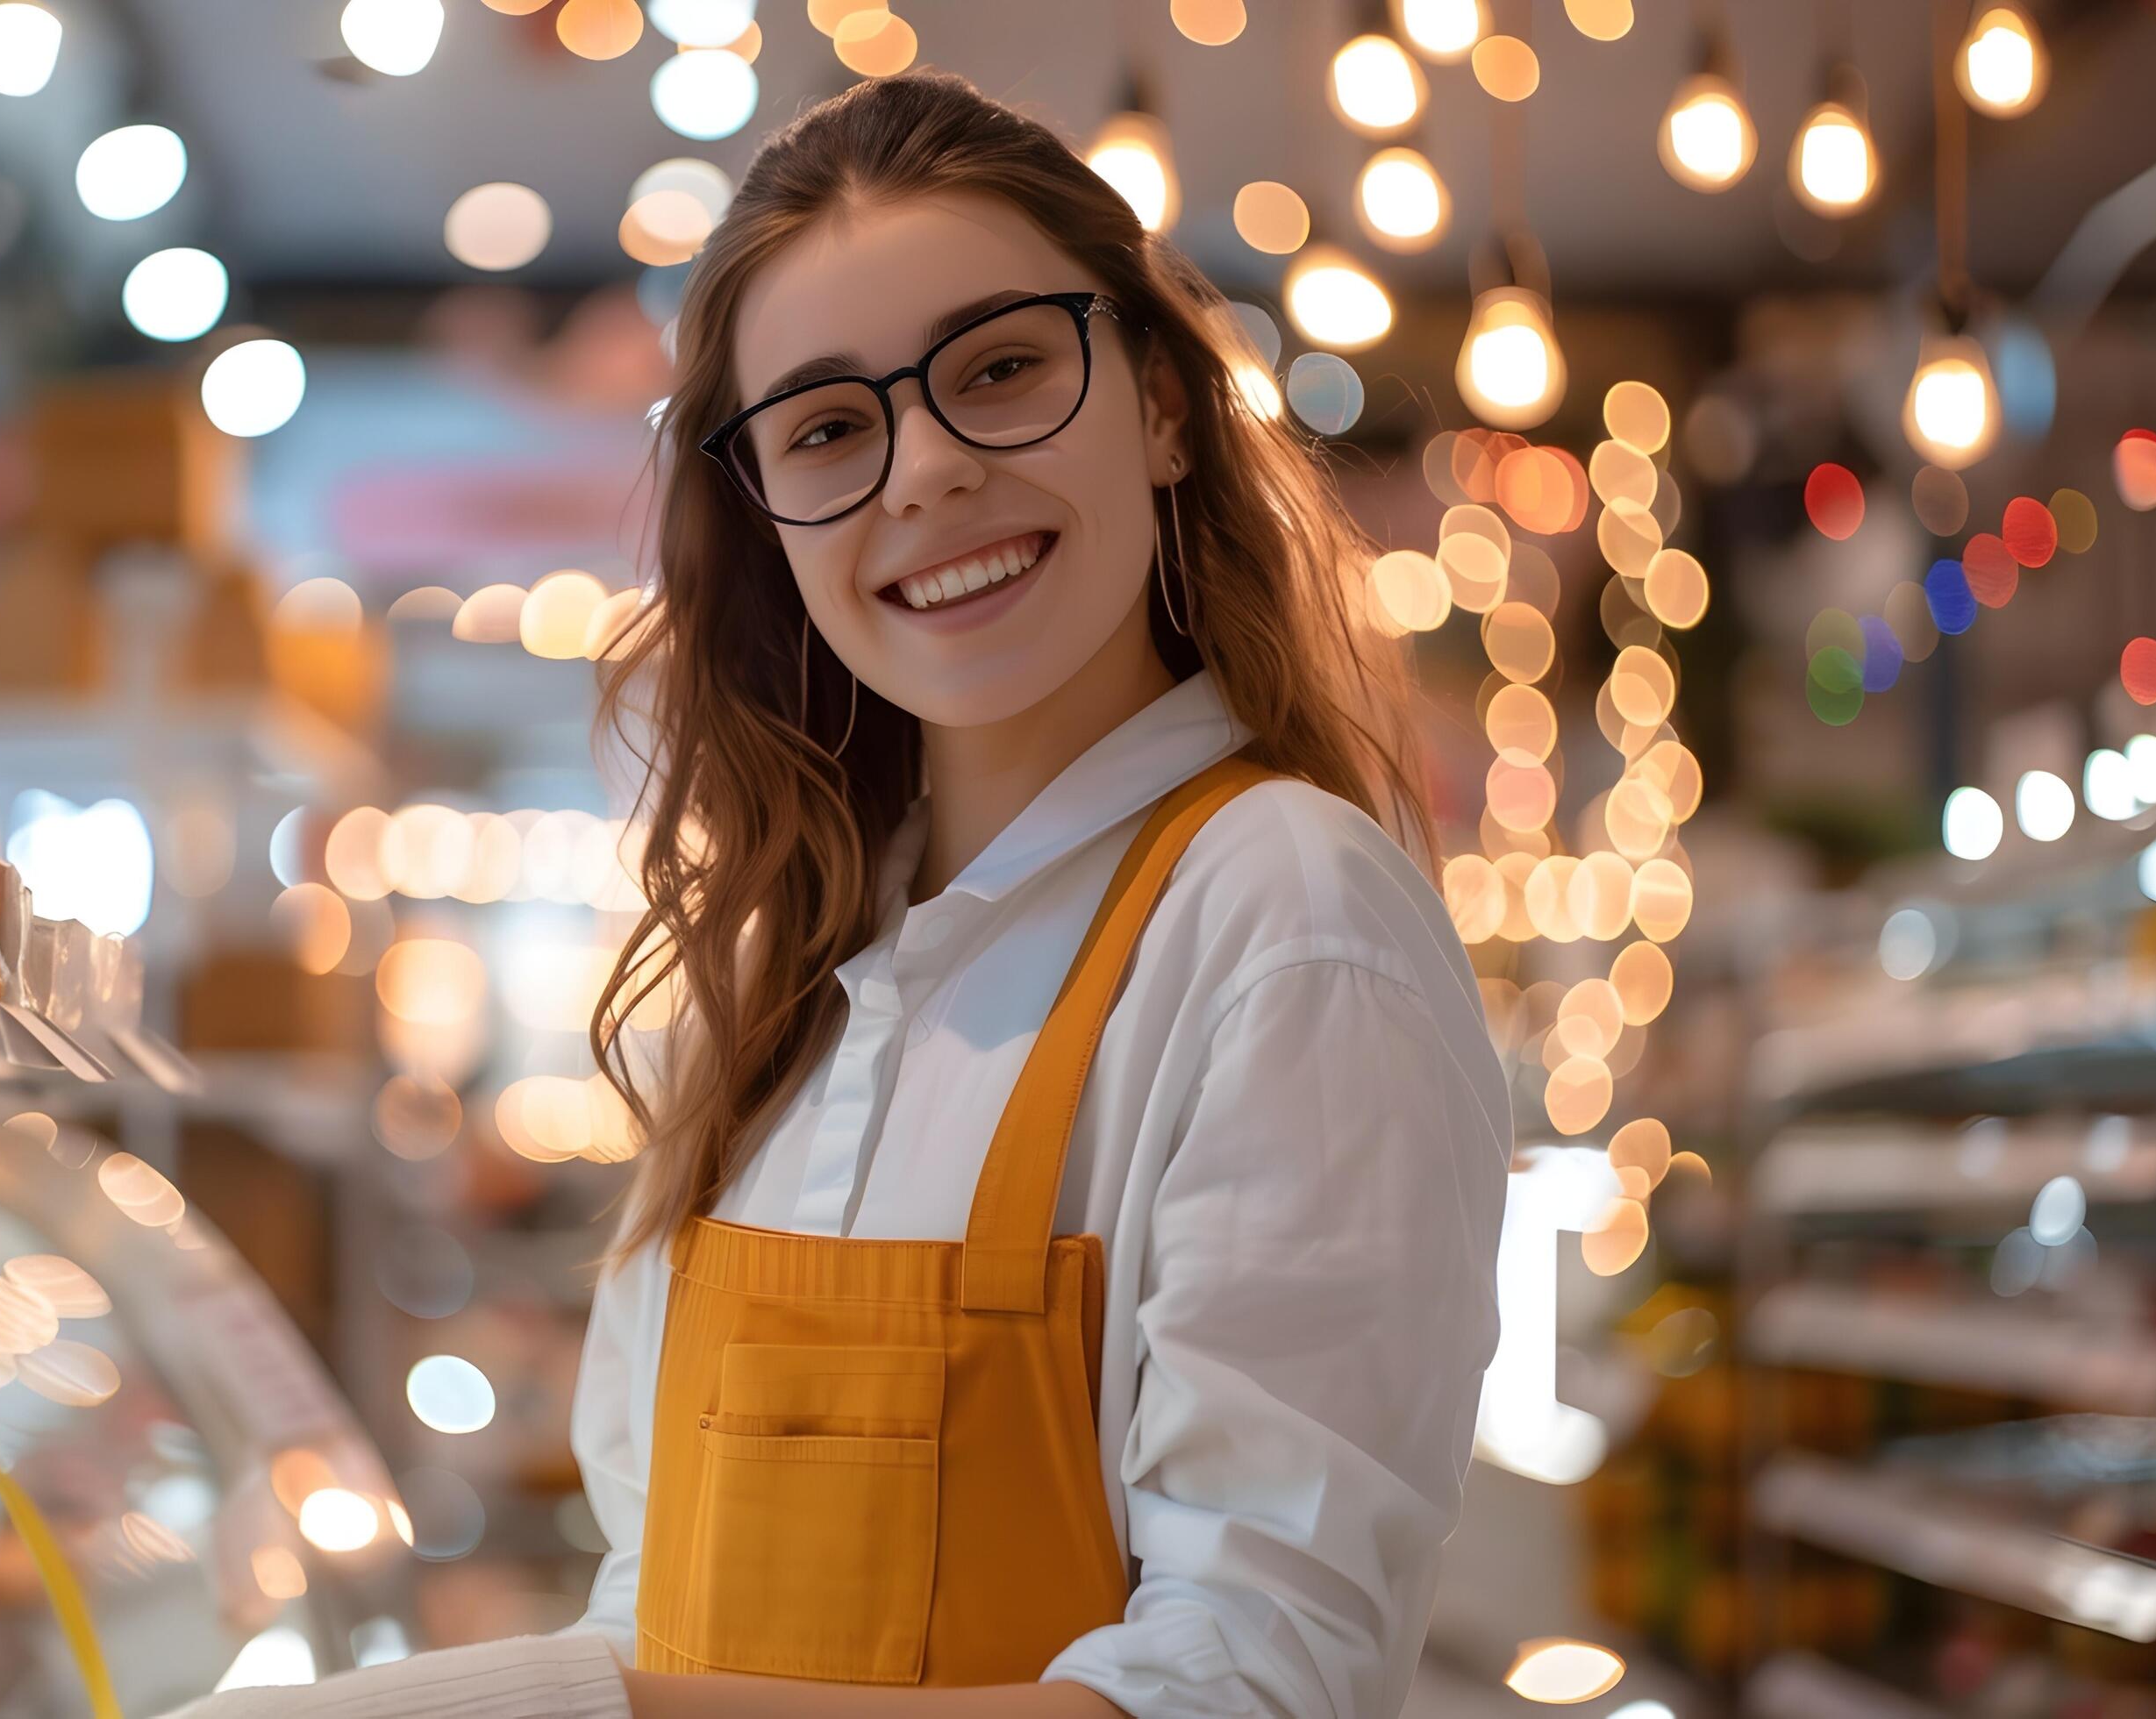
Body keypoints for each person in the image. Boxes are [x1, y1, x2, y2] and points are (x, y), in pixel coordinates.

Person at [177, 68, 1510, 1719]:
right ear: (765, 518)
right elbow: (660, 1591)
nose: (924, 471)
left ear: (1161, 404)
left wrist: (582, 1714)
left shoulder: (1286, 922)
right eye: (827, 427)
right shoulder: (786, 973)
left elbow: (1250, 1684)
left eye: (1002, 369)